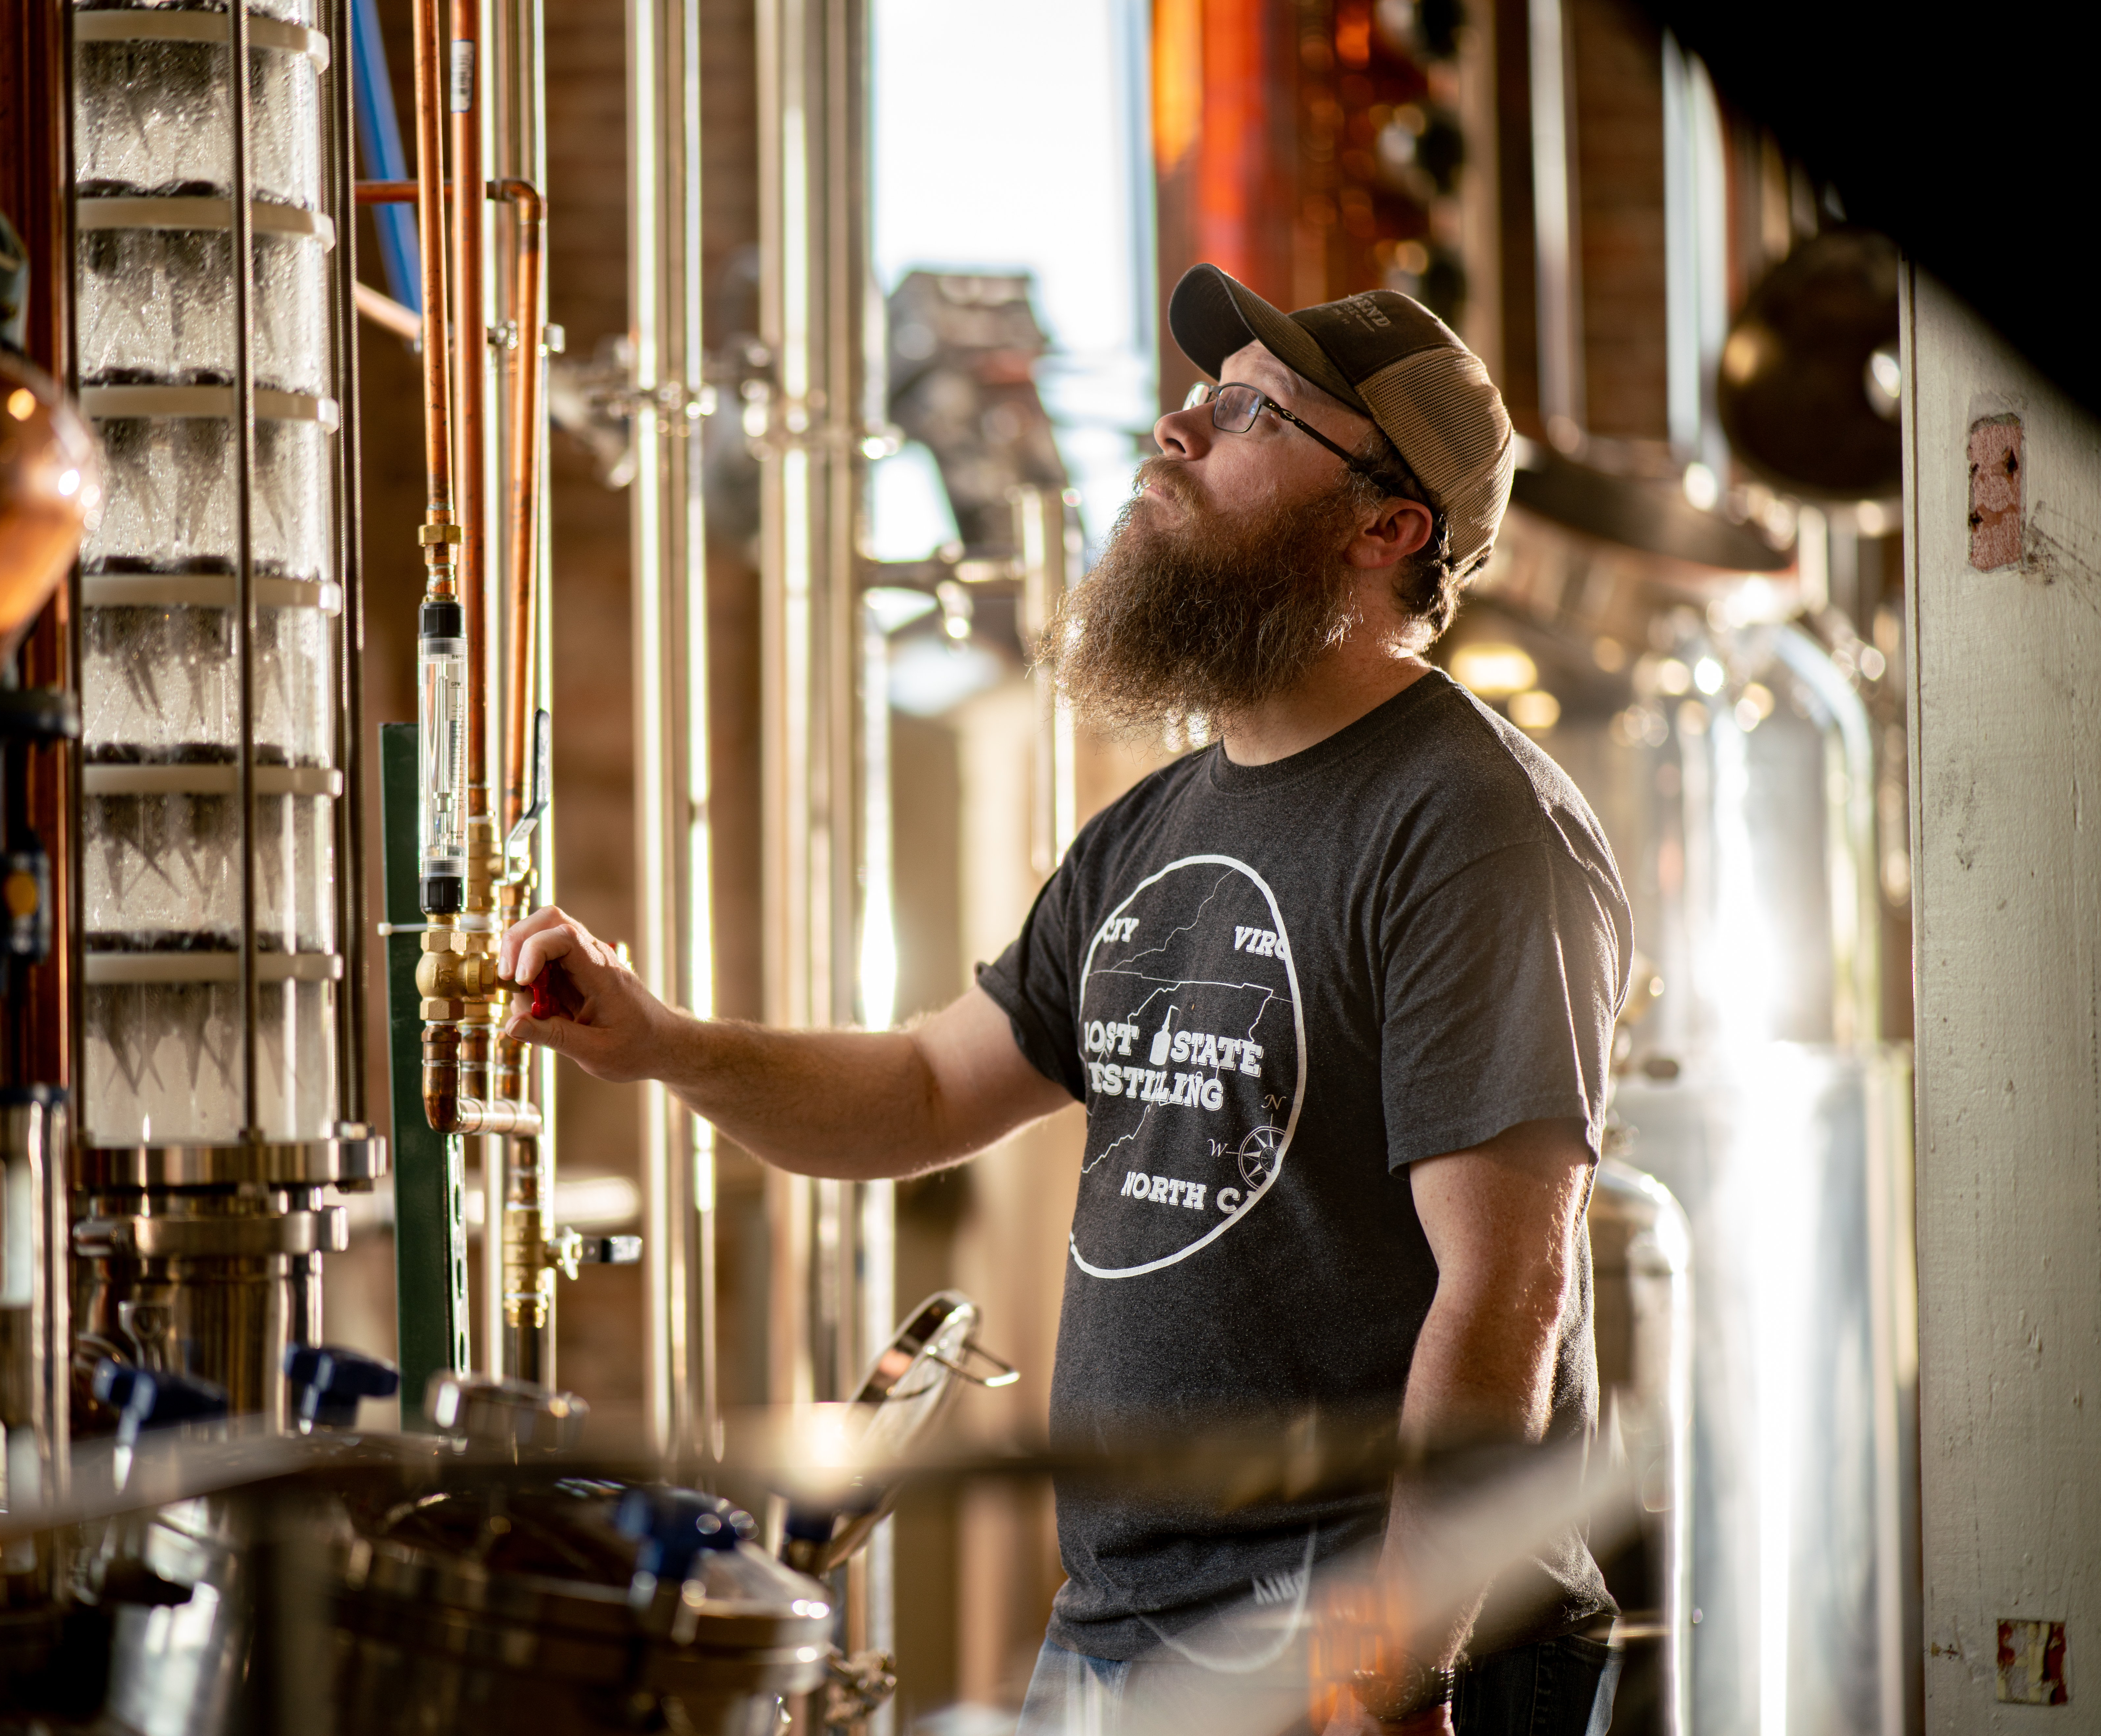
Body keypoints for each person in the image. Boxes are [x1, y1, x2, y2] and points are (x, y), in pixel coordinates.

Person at [497, 265, 1627, 1736]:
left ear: (1384, 527)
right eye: (1196, 398)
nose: (1174, 430)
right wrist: (657, 1042)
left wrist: (1396, 1664)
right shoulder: (1157, 824)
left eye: (1245, 415)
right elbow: (923, 1090)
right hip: (1122, 1626)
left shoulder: (1466, 823)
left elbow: (1503, 1288)